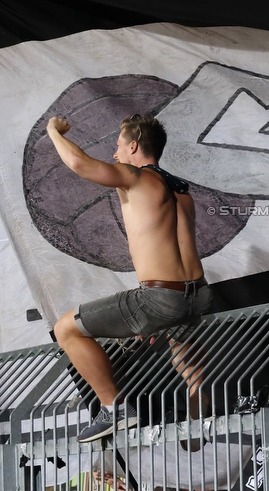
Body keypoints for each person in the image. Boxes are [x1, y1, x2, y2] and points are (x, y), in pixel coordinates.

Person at [48, 113, 213, 442]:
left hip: (161, 298)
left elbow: (79, 163)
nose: (115, 153)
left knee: (65, 329)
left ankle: (114, 408)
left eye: (119, 146)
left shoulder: (138, 179)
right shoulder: (181, 192)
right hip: (199, 294)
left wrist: (53, 131)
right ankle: (199, 423)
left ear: (134, 146)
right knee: (188, 362)